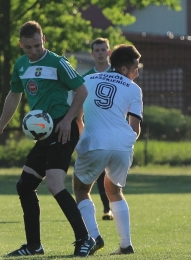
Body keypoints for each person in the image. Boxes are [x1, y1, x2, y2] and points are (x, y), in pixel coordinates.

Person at [0, 20, 95, 257]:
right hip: (45, 133)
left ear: (43, 39)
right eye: (28, 47)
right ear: (21, 45)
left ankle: (85, 239)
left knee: (55, 184)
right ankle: (34, 246)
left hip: (63, 127)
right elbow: (14, 96)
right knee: (24, 186)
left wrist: (68, 120)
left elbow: (82, 90)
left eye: (37, 45)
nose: (34, 51)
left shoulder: (57, 62)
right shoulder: (20, 65)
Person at [73, 44, 143, 255]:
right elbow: (135, 128)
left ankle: (94, 237)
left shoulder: (87, 79)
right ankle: (125, 244)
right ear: (124, 69)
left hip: (95, 141)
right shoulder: (133, 88)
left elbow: (77, 116)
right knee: (115, 191)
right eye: (135, 68)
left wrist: (83, 136)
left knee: (81, 189)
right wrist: (126, 142)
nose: (137, 72)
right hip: (122, 144)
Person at [82, 37, 114, 221]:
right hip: (96, 131)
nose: (101, 53)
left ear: (109, 52)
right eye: (97, 50)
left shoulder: (118, 74)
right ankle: (107, 208)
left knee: (113, 171)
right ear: (92, 54)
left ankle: (115, 203)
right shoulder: (86, 77)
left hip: (115, 130)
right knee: (102, 171)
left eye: (104, 49)